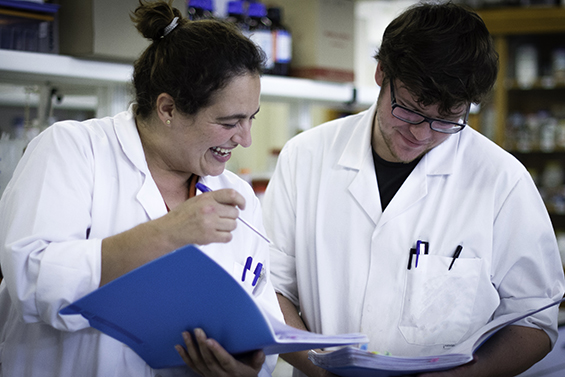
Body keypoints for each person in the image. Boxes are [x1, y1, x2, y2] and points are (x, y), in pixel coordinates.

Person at [262, 2, 565, 377]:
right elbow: (270, 288)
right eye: (408, 109)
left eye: (446, 118)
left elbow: (534, 320)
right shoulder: (305, 157)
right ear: (381, 72)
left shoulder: (503, 182)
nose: (421, 134)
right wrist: (319, 369)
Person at [0, 1, 283, 376]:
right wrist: (166, 233)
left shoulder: (238, 195)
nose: (244, 139)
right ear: (167, 108)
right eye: (229, 121)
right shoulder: (73, 149)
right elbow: (32, 281)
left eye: (251, 119)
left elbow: (263, 321)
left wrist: (248, 368)